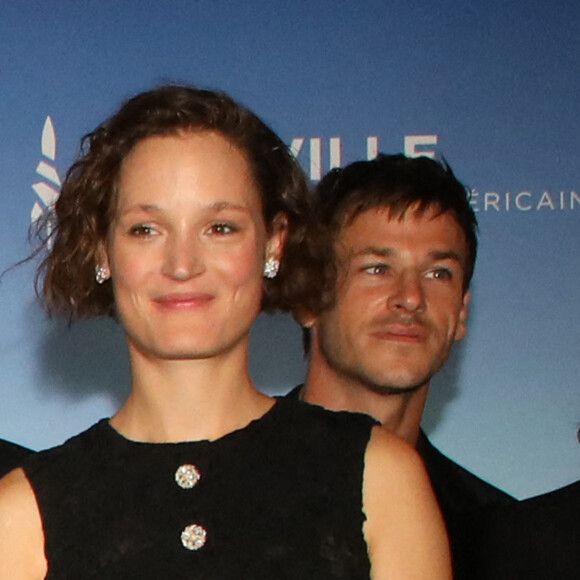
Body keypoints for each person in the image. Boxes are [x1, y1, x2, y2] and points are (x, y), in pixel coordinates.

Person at [0, 86, 450, 579]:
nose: (182, 264)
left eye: (220, 228)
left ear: (273, 243)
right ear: (103, 252)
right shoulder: (23, 513)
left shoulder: (377, 477)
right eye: (146, 229)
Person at [292, 153, 516, 578]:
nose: (411, 297)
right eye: (378, 268)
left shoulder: (499, 533)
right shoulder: (227, 480)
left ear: (462, 313)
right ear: (307, 298)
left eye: (438, 274)